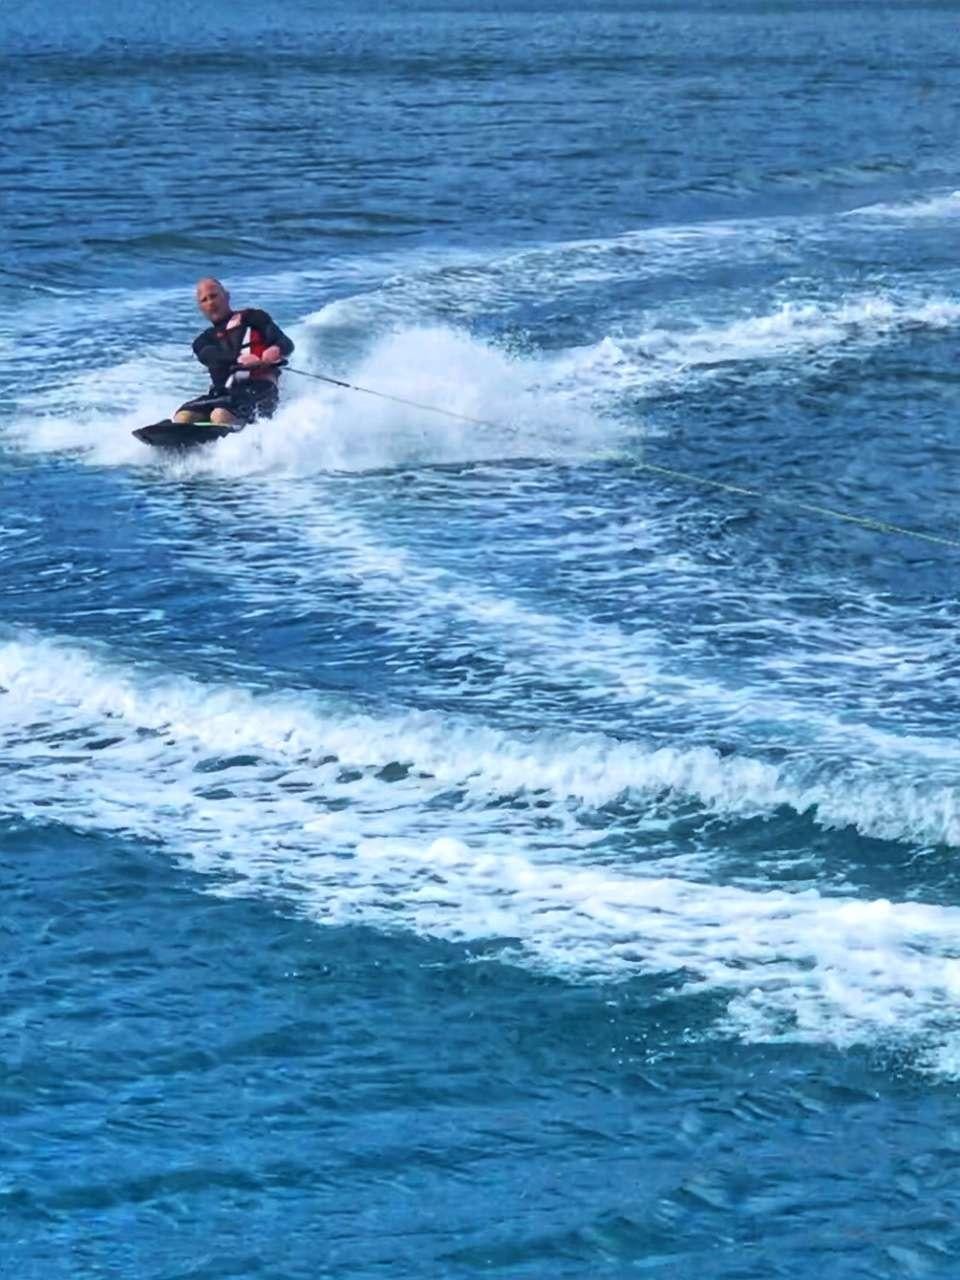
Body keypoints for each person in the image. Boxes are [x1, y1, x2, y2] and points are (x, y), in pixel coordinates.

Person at [174, 277, 295, 426]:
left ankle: (229, 431)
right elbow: (209, 356)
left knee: (219, 415)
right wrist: (239, 359)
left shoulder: (254, 318)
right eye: (204, 300)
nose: (210, 303)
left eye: (214, 296)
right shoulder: (203, 340)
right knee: (182, 417)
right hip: (222, 395)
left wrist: (275, 349)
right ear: (201, 308)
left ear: (227, 296)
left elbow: (286, 343)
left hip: (261, 391)